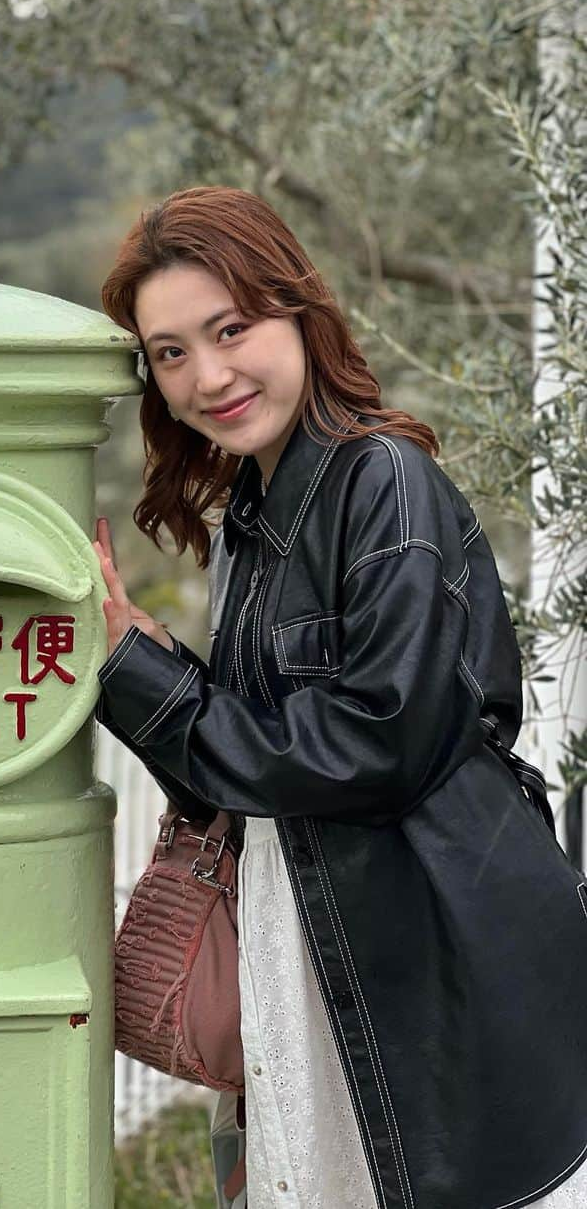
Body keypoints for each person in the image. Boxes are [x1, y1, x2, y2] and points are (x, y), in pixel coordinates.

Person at [91, 186, 587, 1209]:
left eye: (232, 329)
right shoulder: (253, 517)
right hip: (326, 940)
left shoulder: (382, 483)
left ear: (298, 312)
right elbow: (255, 748)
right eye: (171, 352)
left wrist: (143, 682)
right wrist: (139, 658)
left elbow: (374, 746)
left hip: (426, 953)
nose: (209, 376)